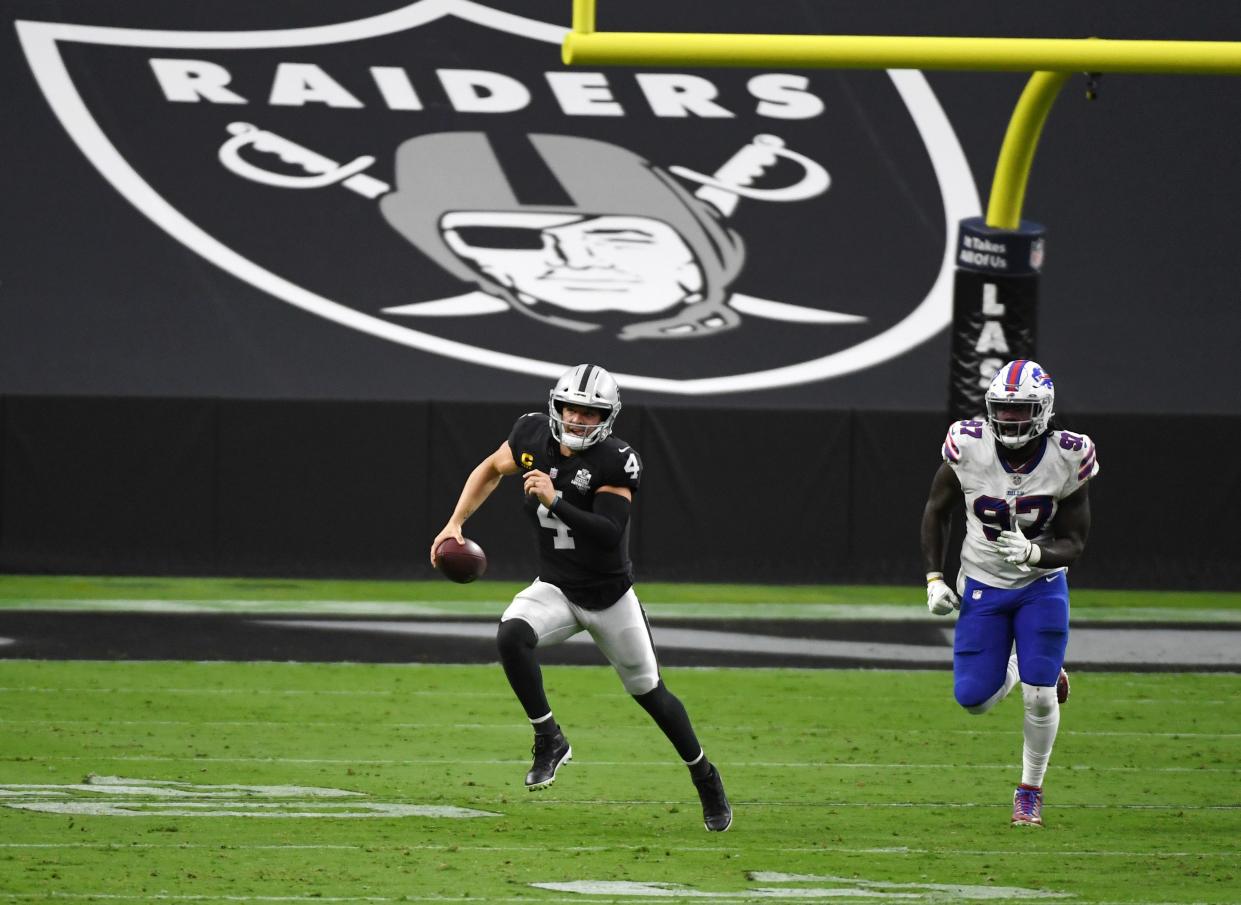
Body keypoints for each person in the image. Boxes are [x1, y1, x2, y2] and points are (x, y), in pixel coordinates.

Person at [430, 363, 733, 832]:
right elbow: (490, 468)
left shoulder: (616, 459)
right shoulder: (531, 435)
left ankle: (704, 775)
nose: (577, 419)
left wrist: (556, 501)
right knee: (512, 635)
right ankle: (549, 737)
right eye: (571, 408)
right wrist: (456, 523)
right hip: (555, 586)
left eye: (590, 414)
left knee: (650, 693)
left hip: (609, 597)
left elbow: (609, 533)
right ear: (556, 405)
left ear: (607, 418)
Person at [920, 359, 1099, 828]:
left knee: (1040, 699)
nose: (1009, 420)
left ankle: (1029, 790)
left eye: (1020, 411)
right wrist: (934, 578)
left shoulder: (1068, 455)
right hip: (982, 582)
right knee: (974, 700)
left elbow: (1074, 543)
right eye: (1003, 409)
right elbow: (937, 510)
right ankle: (1029, 666)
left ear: (1042, 412)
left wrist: (1036, 555)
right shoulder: (968, 445)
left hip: (1040, 587)